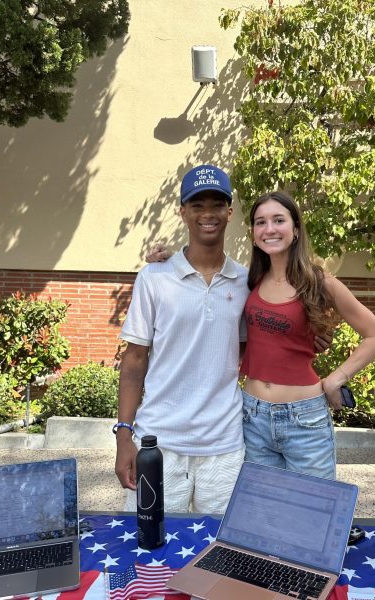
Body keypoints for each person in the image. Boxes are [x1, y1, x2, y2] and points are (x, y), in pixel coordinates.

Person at [114, 164, 250, 514]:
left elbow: (253, 349)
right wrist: (124, 436)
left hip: (224, 447)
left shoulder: (246, 281)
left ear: (230, 212)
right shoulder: (154, 277)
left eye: (217, 204)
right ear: (183, 212)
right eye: (197, 204)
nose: (208, 213)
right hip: (159, 442)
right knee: (147, 547)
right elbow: (134, 360)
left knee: (221, 555)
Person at [240, 190, 375, 479]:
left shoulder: (320, 282)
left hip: (304, 419)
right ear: (253, 232)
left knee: (310, 514)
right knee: (263, 514)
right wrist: (167, 258)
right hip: (253, 417)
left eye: (278, 220)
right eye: (260, 222)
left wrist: (336, 379)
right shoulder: (251, 279)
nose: (269, 229)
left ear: (295, 230)